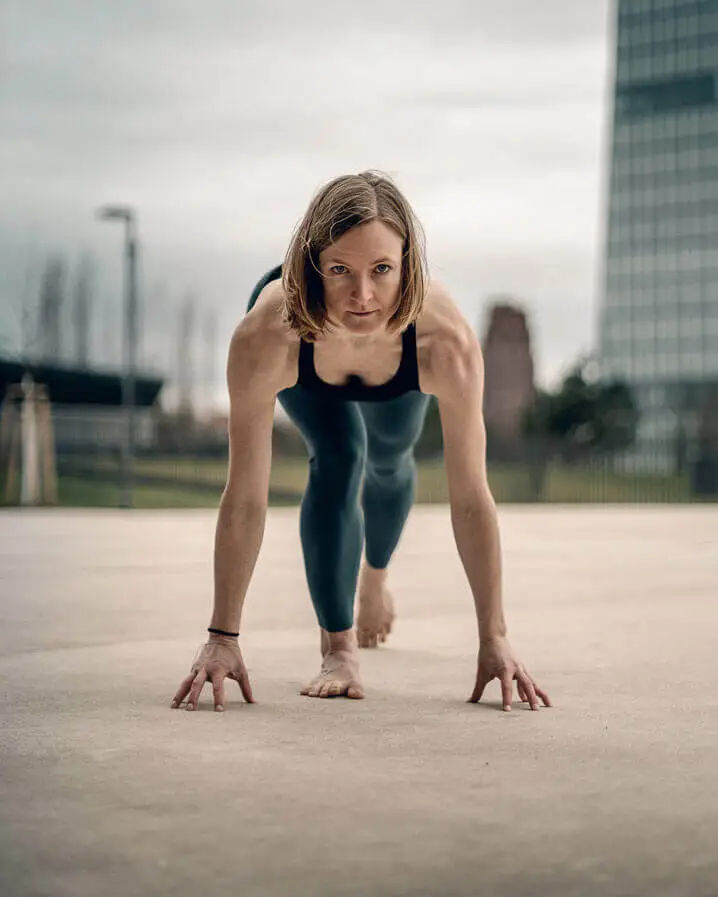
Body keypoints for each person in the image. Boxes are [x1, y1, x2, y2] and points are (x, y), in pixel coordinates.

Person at [171, 171, 551, 713]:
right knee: (343, 454)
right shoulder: (266, 335)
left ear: (408, 266)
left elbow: (471, 499)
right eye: (340, 270)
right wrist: (222, 636)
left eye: (382, 270)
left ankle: (375, 578)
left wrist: (494, 638)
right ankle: (339, 649)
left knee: (392, 458)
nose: (363, 295)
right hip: (309, 355)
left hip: (400, 364)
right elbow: (245, 496)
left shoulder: (445, 343)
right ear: (312, 266)